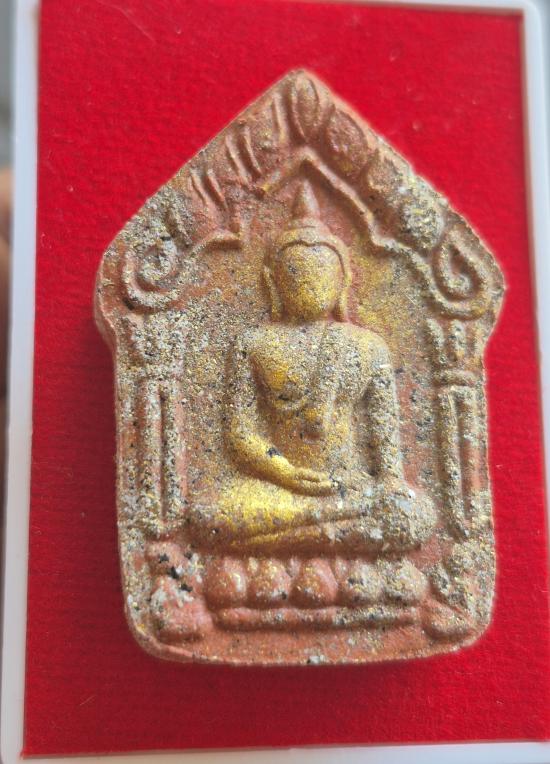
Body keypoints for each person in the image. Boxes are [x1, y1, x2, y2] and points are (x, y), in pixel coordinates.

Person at [189, 182, 435, 555]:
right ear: (273, 281)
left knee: (413, 514)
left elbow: (386, 454)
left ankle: (301, 532)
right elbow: (241, 435)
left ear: (343, 281)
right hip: (278, 488)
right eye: (296, 272)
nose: (310, 283)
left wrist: (388, 485)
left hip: (350, 486)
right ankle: (330, 527)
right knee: (207, 515)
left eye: (322, 272)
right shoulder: (253, 344)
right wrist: (284, 472)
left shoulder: (368, 346)